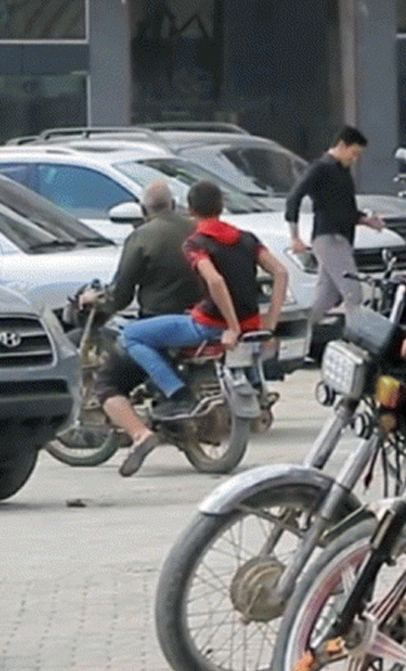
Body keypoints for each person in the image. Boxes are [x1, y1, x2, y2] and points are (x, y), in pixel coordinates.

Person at [116, 180, 288, 476]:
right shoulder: (247, 238)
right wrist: (269, 322)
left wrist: (230, 327)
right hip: (252, 325)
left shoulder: (196, 243)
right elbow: (281, 273)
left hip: (208, 325)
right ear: (221, 206)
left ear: (190, 209)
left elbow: (216, 281)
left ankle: (176, 393)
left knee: (132, 334)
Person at [85, 181, 199, 459]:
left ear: (143, 209)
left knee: (108, 382)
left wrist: (100, 301)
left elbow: (121, 293)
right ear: (173, 204)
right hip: (203, 317)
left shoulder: (142, 236)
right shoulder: (197, 229)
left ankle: (140, 433)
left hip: (160, 323)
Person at [285, 126, 384, 355]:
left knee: (328, 296)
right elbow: (294, 197)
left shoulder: (341, 172)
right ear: (341, 145)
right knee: (353, 292)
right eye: (354, 153)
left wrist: (366, 220)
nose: (355, 159)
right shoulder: (321, 168)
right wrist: (294, 235)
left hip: (340, 236)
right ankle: (357, 342)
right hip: (329, 237)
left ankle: (299, 337)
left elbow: (344, 209)